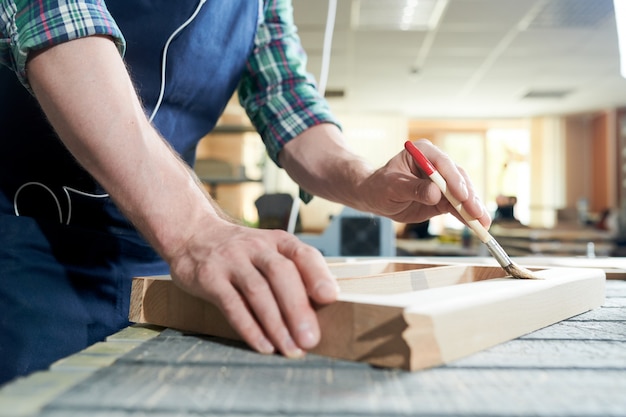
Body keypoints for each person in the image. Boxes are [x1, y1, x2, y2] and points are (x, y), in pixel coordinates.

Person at [0, 0, 490, 385]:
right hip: (28, 245)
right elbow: (59, 30)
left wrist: (366, 182)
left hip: (160, 264)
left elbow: (288, 101)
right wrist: (193, 230)